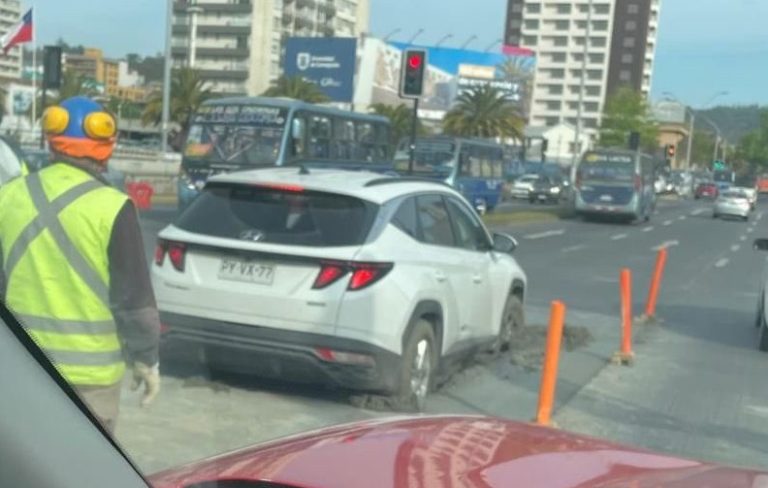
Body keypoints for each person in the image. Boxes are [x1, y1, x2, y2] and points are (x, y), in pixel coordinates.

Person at [0, 96, 160, 433]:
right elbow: (134, 303)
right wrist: (146, 359)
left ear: (51, 142)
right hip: (90, 382)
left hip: (19, 373)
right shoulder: (113, 207)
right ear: (106, 147)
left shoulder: (8, 196)